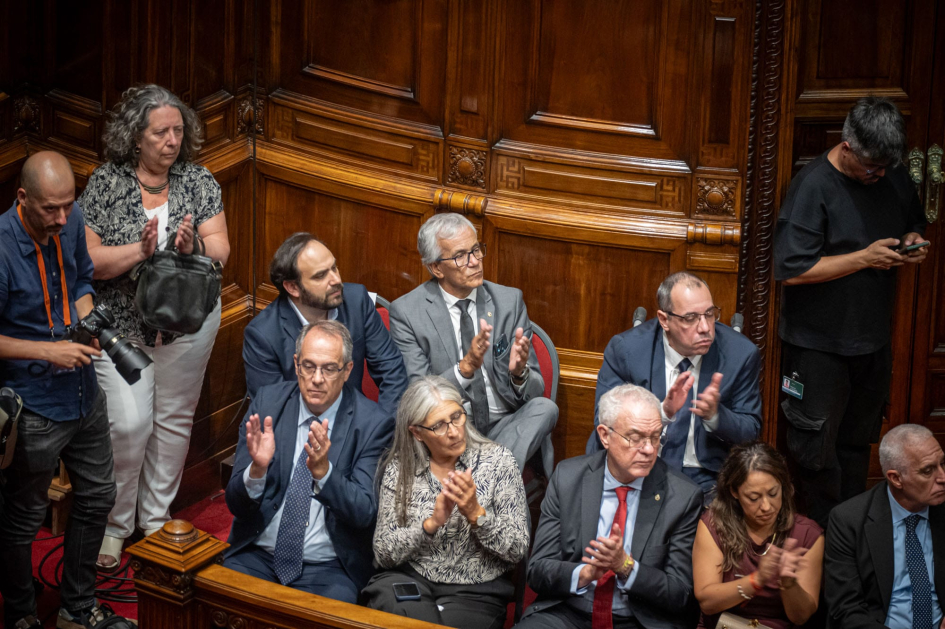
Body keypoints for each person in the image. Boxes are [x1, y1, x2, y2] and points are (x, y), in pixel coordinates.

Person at [78, 84, 230, 570]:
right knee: (128, 425)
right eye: (160, 132)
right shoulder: (106, 182)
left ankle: (156, 520)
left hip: (188, 326)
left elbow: (221, 252)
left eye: (178, 131)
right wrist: (141, 254)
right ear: (135, 138)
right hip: (122, 329)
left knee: (173, 422)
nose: (172, 141)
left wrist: (193, 251)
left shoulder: (200, 181)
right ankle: (114, 525)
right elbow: (89, 262)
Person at [774, 96, 929, 528]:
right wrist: (864, 258)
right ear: (846, 147)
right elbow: (791, 269)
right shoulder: (812, 187)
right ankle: (817, 549)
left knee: (858, 448)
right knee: (816, 456)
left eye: (883, 168)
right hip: (817, 347)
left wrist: (912, 240)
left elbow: (913, 219)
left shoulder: (891, 174)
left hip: (873, 341)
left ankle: (848, 544)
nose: (877, 175)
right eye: (870, 168)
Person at [0, 151, 133, 628]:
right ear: (22, 199)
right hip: (32, 405)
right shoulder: (0, 247)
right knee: (23, 515)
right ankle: (20, 615)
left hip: (82, 391)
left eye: (68, 205)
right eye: (50, 209)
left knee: (99, 496)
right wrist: (46, 350)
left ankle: (78, 607)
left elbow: (79, 279)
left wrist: (86, 322)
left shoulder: (71, 219)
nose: (62, 217)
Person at [224, 320, 393, 602]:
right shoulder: (268, 404)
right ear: (296, 364)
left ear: (348, 370)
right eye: (308, 366)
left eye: (329, 369)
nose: (316, 378)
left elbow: (364, 513)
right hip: (257, 556)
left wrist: (325, 473)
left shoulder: (373, 424)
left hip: (329, 568)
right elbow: (235, 504)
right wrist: (257, 470)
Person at [519, 384, 703, 629]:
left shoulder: (682, 497)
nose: (649, 449)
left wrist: (626, 567)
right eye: (635, 438)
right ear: (605, 435)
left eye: (656, 437)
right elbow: (539, 570)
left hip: (638, 621)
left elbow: (680, 593)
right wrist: (584, 574)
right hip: (567, 613)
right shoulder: (568, 478)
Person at [389, 213, 557, 476]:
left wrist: (519, 374)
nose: (475, 262)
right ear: (436, 268)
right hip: (450, 430)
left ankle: (483, 478)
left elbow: (536, 392)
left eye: (476, 250)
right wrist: (464, 369)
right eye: (461, 256)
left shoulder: (508, 301)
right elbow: (418, 396)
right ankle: (497, 482)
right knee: (506, 482)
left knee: (545, 408)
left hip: (505, 425)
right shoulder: (408, 313)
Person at [363, 376, 528, 629]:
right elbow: (384, 552)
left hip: (475, 589)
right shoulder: (401, 468)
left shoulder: (498, 461)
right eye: (439, 425)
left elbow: (517, 549)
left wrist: (477, 515)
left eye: (456, 416)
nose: (453, 431)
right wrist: (430, 524)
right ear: (417, 432)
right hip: (410, 577)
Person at [586, 272, 762, 498]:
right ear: (664, 319)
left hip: (706, 479)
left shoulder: (741, 355)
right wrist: (662, 413)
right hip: (638, 467)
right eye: (690, 318)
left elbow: (751, 430)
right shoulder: (627, 350)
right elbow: (605, 421)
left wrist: (715, 415)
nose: (705, 327)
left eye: (710, 314)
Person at [242, 232, 408, 417]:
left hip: (359, 424)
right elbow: (275, 408)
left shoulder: (356, 301)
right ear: (293, 287)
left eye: (334, 268)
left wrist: (380, 430)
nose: (336, 280)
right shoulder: (263, 334)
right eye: (320, 276)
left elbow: (392, 370)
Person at [825, 424, 945, 629]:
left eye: (943, 463)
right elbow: (846, 609)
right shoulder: (849, 520)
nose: (942, 478)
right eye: (928, 471)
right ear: (895, 478)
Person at [692, 441, 823, 629]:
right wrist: (756, 580)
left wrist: (788, 584)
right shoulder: (714, 525)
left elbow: (800, 618)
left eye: (773, 493)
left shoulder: (807, 534)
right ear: (734, 492)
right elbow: (707, 603)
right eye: (754, 498)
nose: (766, 507)